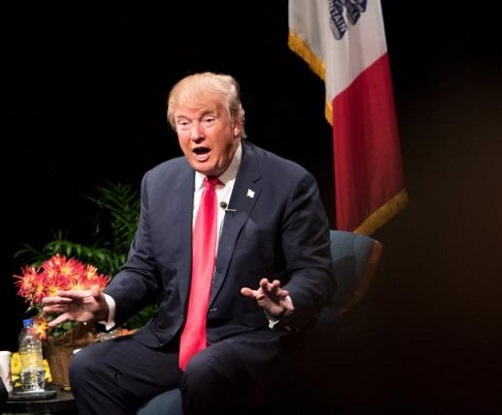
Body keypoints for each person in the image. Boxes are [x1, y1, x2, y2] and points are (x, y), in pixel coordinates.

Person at [41, 71, 335, 414]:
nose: (195, 134)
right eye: (183, 123)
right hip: (175, 340)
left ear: (237, 123)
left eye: (208, 120)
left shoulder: (288, 182)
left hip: (252, 337)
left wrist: (287, 304)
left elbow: (315, 272)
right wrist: (104, 303)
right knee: (89, 368)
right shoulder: (161, 182)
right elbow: (144, 269)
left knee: (204, 369)